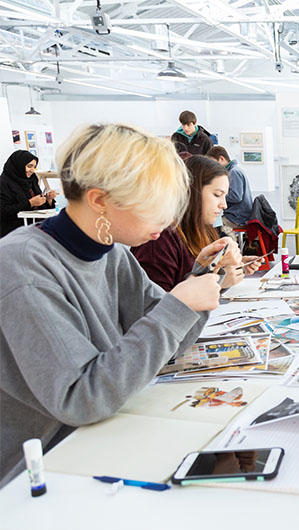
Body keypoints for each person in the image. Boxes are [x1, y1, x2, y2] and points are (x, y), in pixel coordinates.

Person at [0, 123, 222, 488]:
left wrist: (199, 281)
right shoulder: (23, 267)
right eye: (153, 207)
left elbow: (166, 345)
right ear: (100, 200)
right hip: (44, 471)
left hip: (100, 438)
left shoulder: (112, 253)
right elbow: (80, 397)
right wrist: (179, 305)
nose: (166, 222)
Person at [132, 155, 262, 292]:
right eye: (217, 195)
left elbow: (203, 276)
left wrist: (232, 267)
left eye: (225, 196)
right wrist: (218, 281)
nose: (224, 205)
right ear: (193, 191)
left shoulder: (205, 229)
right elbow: (159, 306)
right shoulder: (160, 238)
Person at [0, 150, 57, 237]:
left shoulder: (32, 180)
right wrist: (30, 203)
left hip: (36, 228)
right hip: (14, 232)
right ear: (19, 165)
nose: (32, 170)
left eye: (34, 167)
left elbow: (40, 207)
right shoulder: (3, 183)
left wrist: (48, 199)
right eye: (29, 166)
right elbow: (4, 211)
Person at [206, 146, 254, 234]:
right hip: (237, 215)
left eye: (214, 163)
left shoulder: (233, 172)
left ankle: (229, 245)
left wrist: (217, 196)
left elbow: (236, 196)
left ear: (221, 158)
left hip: (238, 218)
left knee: (214, 227)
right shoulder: (234, 171)